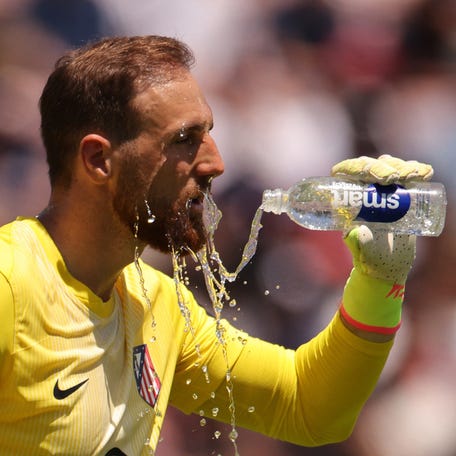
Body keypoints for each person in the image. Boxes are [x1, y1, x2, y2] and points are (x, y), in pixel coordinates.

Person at [0, 35, 434, 455]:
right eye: (185, 140)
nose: (216, 163)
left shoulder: (152, 302)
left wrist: (379, 282)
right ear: (99, 160)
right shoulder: (11, 284)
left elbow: (309, 408)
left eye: (208, 133)